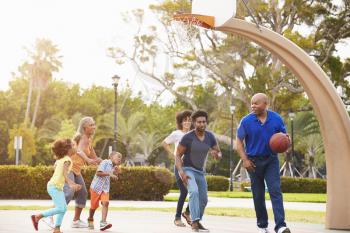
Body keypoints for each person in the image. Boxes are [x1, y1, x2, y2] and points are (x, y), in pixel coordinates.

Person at [236, 93, 291, 233]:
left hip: (271, 160)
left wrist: (286, 140)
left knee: (275, 191)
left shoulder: (276, 119)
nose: (253, 105)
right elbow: (239, 142)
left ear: (266, 104)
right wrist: (245, 160)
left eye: (256, 103)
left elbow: (284, 137)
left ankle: (281, 226)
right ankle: (262, 225)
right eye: (251, 103)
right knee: (258, 195)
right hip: (253, 162)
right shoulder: (246, 121)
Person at [175, 110, 222, 232]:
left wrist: (217, 155)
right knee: (194, 192)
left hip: (200, 172)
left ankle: (196, 219)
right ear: (194, 123)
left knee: (204, 199)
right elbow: (177, 155)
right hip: (187, 169)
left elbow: (218, 152)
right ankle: (195, 222)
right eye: (199, 122)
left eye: (204, 122)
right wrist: (181, 172)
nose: (202, 124)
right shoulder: (187, 137)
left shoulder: (210, 136)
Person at [31, 139, 82, 233]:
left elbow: (58, 170)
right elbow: (65, 174)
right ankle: (38, 216)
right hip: (54, 187)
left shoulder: (61, 159)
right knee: (61, 208)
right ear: (68, 149)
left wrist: (72, 184)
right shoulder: (67, 160)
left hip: (55, 186)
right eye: (74, 145)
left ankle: (57, 229)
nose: (76, 147)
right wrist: (72, 184)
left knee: (63, 208)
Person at [63, 116, 102, 228]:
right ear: (85, 127)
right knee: (69, 192)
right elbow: (79, 151)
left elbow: (93, 155)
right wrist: (88, 160)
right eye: (91, 125)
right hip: (69, 167)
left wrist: (104, 163)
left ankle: (76, 220)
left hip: (76, 170)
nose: (94, 127)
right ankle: (49, 215)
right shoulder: (82, 137)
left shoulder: (89, 140)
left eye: (94, 124)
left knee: (83, 192)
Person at [162, 110, 192, 227]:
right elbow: (164, 143)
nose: (187, 122)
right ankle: (177, 218)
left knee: (196, 191)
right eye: (185, 120)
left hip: (191, 166)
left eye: (189, 120)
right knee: (184, 191)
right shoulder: (177, 133)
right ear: (181, 122)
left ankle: (187, 212)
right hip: (179, 165)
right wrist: (174, 154)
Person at [87, 151, 122, 231]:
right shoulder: (105, 162)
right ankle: (90, 218)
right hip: (96, 188)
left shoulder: (114, 166)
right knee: (93, 207)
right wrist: (110, 174)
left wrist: (116, 171)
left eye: (121, 158)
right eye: (118, 157)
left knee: (106, 203)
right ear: (111, 157)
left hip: (105, 189)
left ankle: (103, 222)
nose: (120, 159)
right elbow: (98, 173)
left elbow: (117, 173)